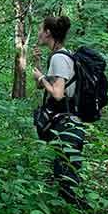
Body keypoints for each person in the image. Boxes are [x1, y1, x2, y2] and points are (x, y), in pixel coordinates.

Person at [32, 15, 85, 204]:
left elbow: (57, 93)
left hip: (67, 125)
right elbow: (44, 85)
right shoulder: (61, 55)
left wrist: (40, 78)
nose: (39, 33)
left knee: (66, 178)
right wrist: (38, 66)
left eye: (40, 29)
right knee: (65, 173)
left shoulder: (59, 57)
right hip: (69, 123)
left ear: (48, 32)